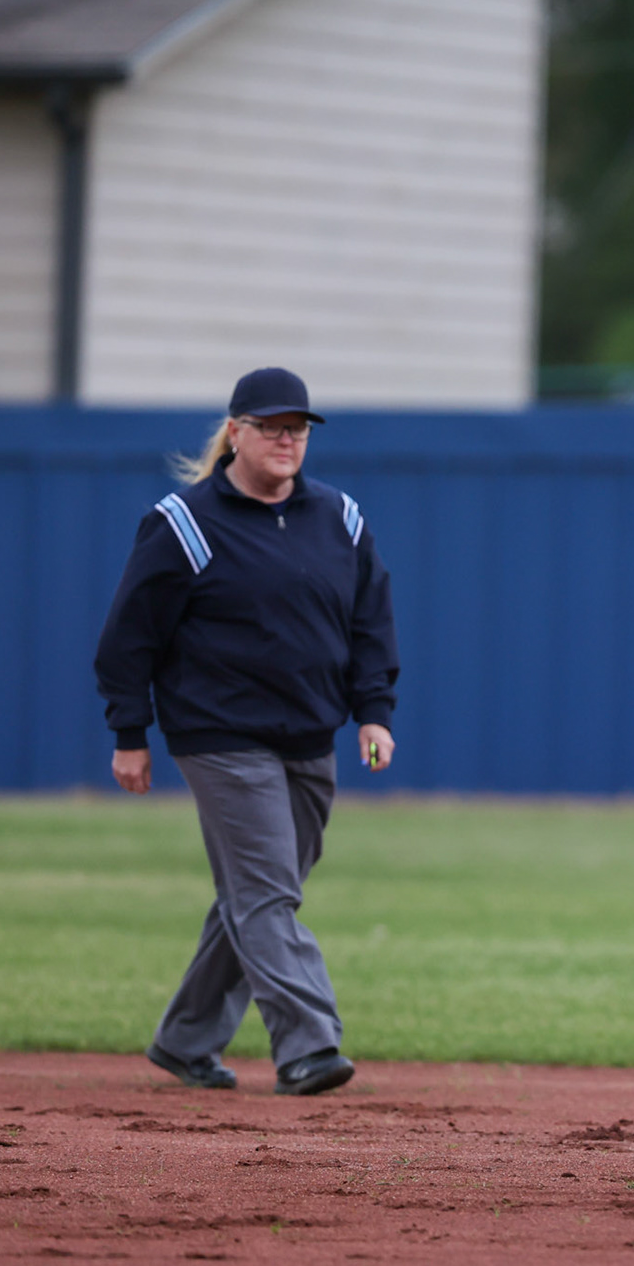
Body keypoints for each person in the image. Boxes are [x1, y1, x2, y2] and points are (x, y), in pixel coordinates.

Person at [95, 366, 398, 1098]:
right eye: (271, 428)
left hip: (308, 735)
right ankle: (308, 1045)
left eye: (298, 429)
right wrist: (129, 732)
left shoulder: (340, 518)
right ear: (237, 432)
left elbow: (368, 625)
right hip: (220, 735)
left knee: (259, 891)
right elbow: (128, 638)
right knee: (266, 895)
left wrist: (374, 712)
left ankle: (185, 1040)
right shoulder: (185, 524)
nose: (287, 440)